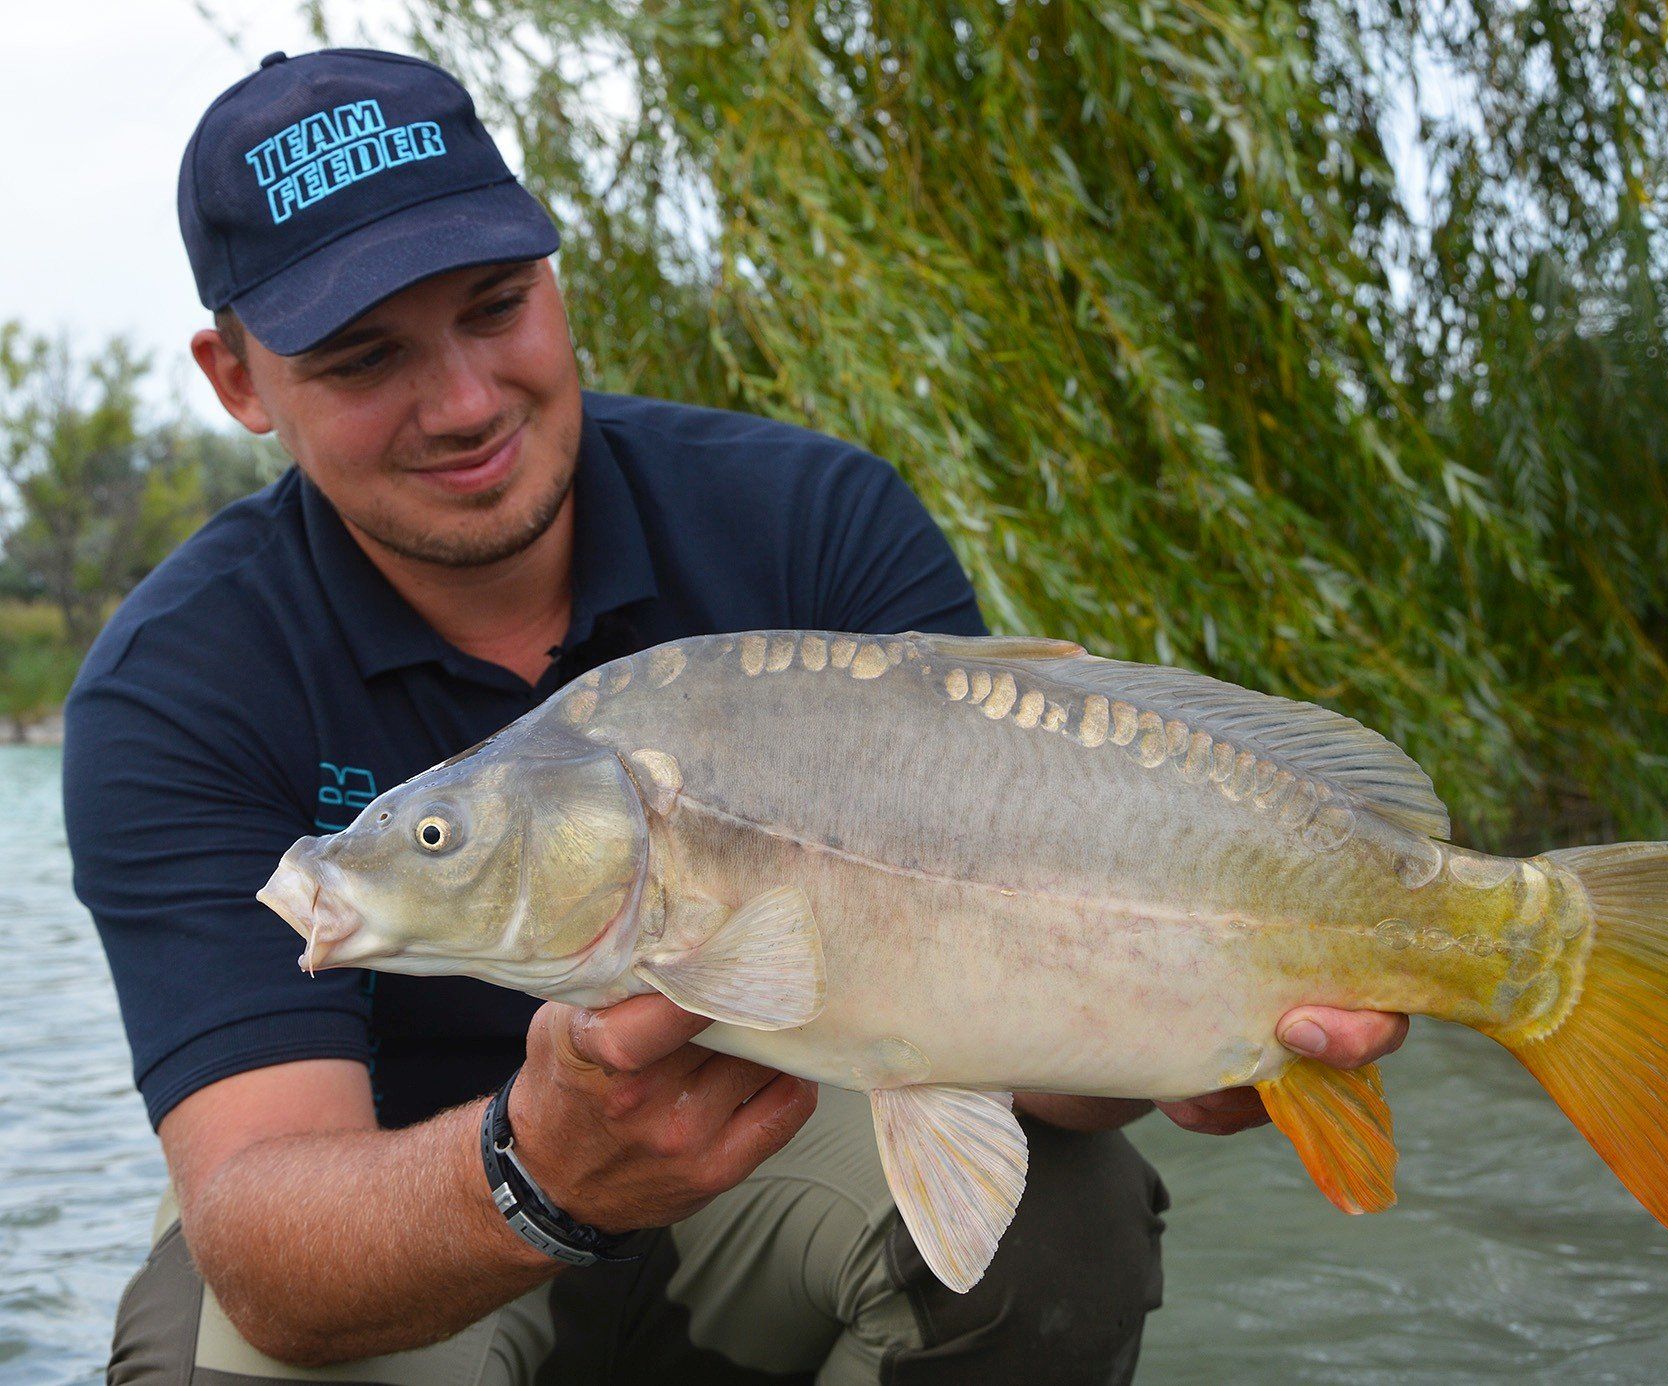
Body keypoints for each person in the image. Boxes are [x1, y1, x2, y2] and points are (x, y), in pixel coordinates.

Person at [69, 47, 1409, 1384]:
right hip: (427, 1212)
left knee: (1061, 1223)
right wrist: (534, 1171)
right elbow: (259, 1222)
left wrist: (1174, 1030)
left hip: (779, 1152)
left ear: (552, 277)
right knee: (230, 1354)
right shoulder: (179, 684)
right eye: (365, 358)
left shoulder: (808, 521)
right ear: (237, 377)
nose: (467, 400)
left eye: (497, 306)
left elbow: (1011, 1047)